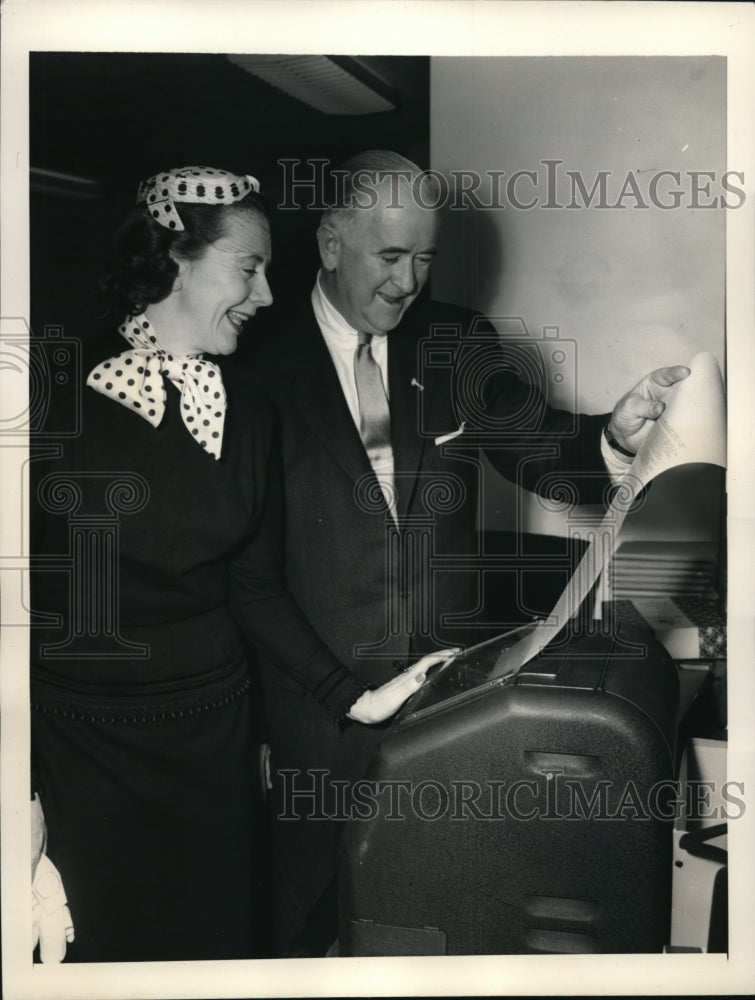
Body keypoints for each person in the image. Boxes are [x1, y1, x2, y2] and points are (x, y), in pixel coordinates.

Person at [244, 149, 691, 953]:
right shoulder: (250, 359)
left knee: (430, 919)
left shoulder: (454, 339)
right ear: (330, 241)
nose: (406, 282)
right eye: (388, 256)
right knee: (305, 933)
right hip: (310, 721)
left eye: (423, 258)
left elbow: (543, 446)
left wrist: (611, 437)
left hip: (442, 713)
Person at [29, 164, 452, 963]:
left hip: (213, 736)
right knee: (102, 948)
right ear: (174, 258)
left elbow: (254, 589)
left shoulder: (250, 412)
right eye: (248, 269)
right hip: (82, 739)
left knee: (216, 941)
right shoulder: (52, 398)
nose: (263, 296)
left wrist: (356, 699)